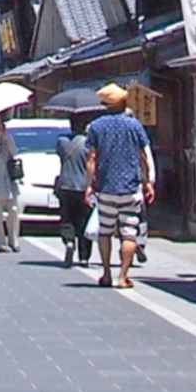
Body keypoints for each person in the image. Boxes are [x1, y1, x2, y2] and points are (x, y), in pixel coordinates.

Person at [86, 84, 153, 289]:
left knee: (105, 232)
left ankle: (106, 273)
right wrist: (147, 181)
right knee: (129, 231)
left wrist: (89, 184)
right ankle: (123, 276)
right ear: (123, 103)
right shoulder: (134, 126)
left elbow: (91, 158)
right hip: (130, 187)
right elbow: (143, 156)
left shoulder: (96, 127)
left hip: (106, 186)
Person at [53, 116, 93, 269]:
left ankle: (69, 241)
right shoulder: (89, 144)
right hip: (83, 186)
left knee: (67, 218)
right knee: (84, 222)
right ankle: (84, 257)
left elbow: (60, 156)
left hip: (65, 185)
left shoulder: (61, 141)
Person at [0, 114, 23, 252]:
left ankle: (14, 240)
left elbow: (15, 153)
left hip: (9, 180)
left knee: (14, 211)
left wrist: (6, 138)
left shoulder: (7, 136)